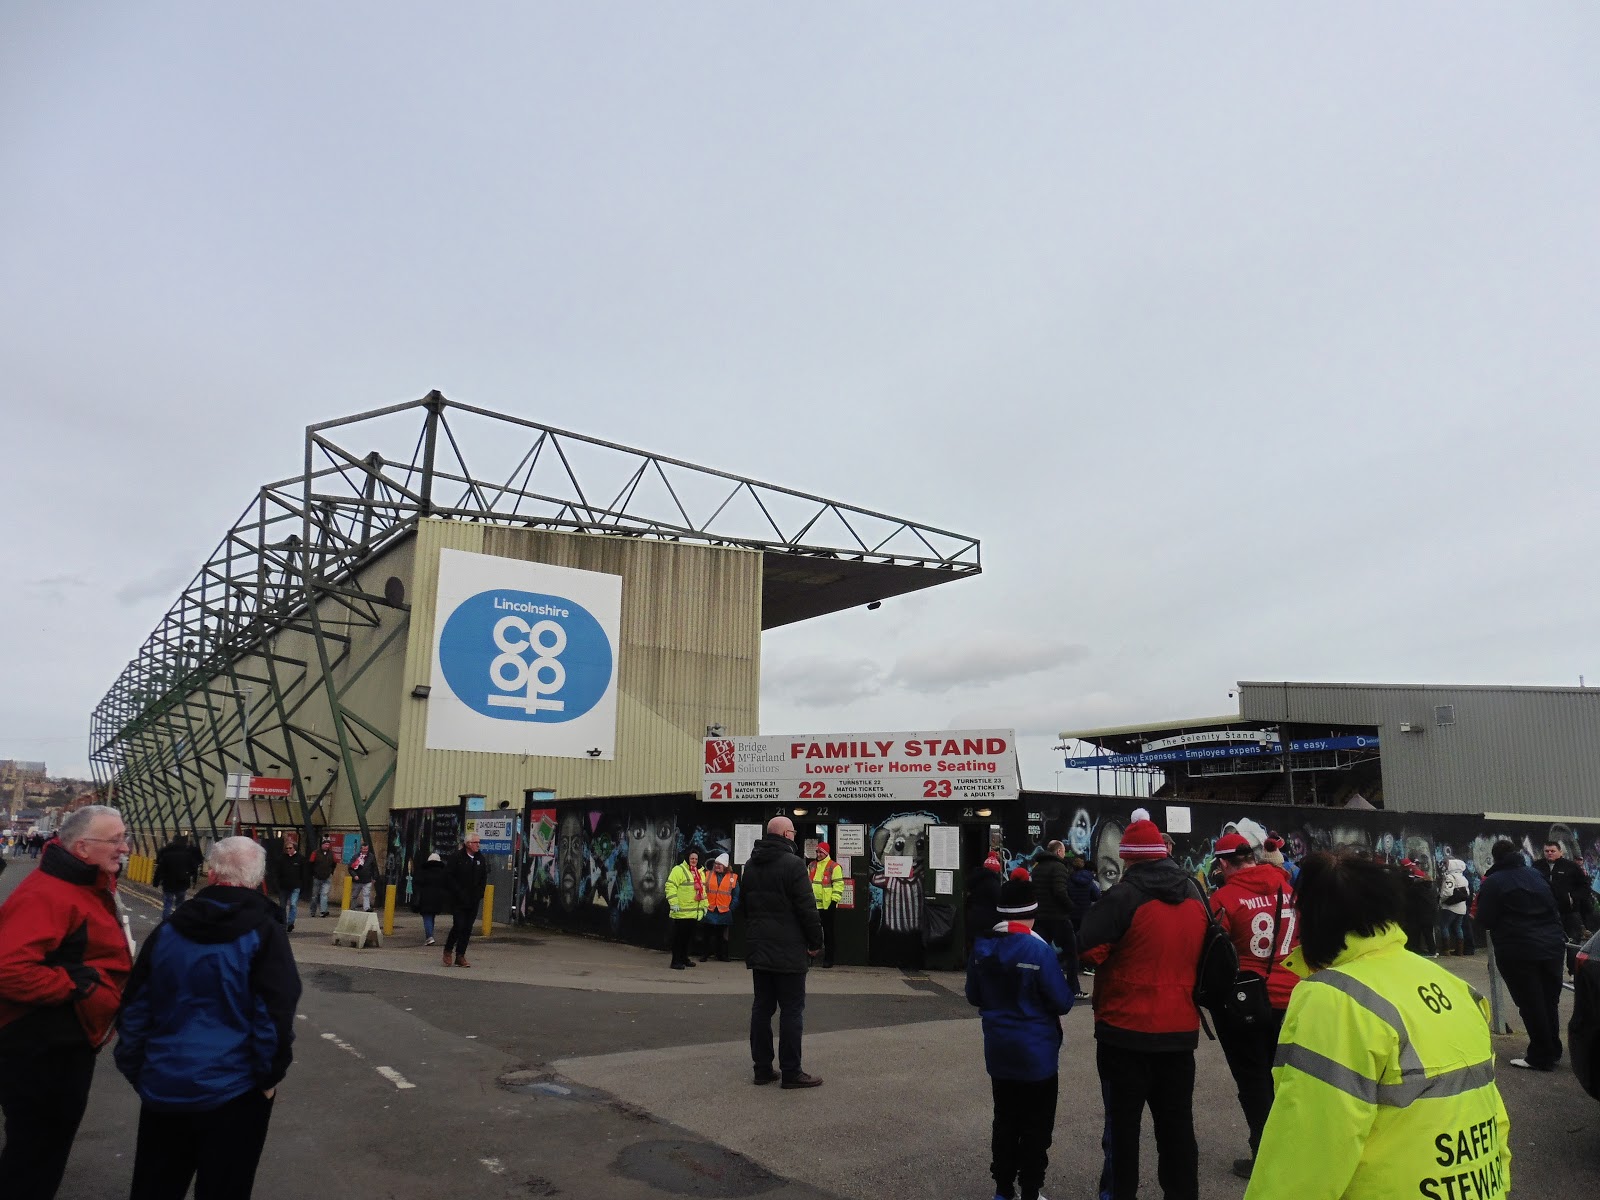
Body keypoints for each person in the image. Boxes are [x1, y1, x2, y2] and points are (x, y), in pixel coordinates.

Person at [1245, 852, 1511, 1199]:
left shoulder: (1335, 998)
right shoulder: (1453, 985)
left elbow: (1309, 1144)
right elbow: (1491, 1111)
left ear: (1310, 918)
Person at [115, 836, 302, 1200]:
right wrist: (268, 1078)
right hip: (236, 1091)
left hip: (165, 1084)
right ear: (257, 878)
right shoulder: (264, 933)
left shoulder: (169, 930)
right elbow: (274, 1016)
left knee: (155, 1187)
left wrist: (137, 1068)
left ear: (211, 873)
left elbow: (135, 1006)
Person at [0, 804, 135, 1200]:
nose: (125, 847)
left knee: (42, 1147)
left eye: (124, 838)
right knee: (36, 1151)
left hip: (61, 1040)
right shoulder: (51, 893)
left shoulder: (83, 885)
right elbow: (8, 968)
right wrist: (80, 988)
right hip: (39, 1045)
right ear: (81, 848)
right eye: (115, 840)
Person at [1077, 816, 1208, 1200]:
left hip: (1125, 1033)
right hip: (1180, 1033)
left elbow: (1088, 949)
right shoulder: (1195, 894)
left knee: (1122, 1133)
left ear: (1130, 859)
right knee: (1177, 1130)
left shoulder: (1122, 897)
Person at [966, 872, 1075, 1200]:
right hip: (1037, 1054)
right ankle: (1030, 1190)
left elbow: (973, 995)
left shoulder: (981, 947)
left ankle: (1002, 1189)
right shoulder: (1038, 950)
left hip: (998, 1051)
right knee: (1036, 1126)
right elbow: (1062, 1001)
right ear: (1032, 912)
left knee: (1005, 1120)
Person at [1207, 831, 1301, 1179]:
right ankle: (1295, 1148)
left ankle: (1264, 1154)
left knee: (1253, 1080)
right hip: (1293, 997)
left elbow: (1212, 952)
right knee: (1288, 1079)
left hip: (1246, 1001)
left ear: (1223, 863)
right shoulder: (1290, 890)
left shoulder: (1224, 898)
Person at [740, 815, 824, 1088]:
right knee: (791, 1010)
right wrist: (815, 943)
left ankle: (762, 1069)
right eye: (794, 832)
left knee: (762, 1008)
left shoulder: (750, 866)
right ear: (786, 835)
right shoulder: (794, 865)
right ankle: (791, 1072)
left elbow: (744, 908)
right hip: (789, 951)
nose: (796, 836)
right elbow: (807, 909)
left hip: (760, 949)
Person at [1476, 838, 1566, 1070]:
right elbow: (1554, 905)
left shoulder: (1493, 882)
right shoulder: (1536, 875)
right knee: (1549, 1000)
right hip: (1552, 945)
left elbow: (1485, 918)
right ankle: (1552, 1049)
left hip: (1518, 948)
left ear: (1495, 857)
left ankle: (1540, 1055)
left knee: (1530, 1002)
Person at [1031, 840, 1081, 998]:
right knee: (1072, 952)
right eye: (1064, 851)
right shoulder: (1059, 867)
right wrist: (1070, 906)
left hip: (1040, 916)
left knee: (1041, 953)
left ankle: (1039, 986)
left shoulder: (1037, 868)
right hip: (1058, 916)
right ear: (1059, 851)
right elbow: (1060, 891)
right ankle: (1073, 988)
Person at [1533, 840, 1594, 941]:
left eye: (1552, 851)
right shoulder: (1537, 866)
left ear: (1560, 852)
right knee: (1546, 941)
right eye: (1547, 851)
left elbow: (1585, 887)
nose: (1549, 853)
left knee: (1572, 942)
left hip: (1569, 913)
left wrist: (1572, 897)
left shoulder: (1571, 867)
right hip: (1544, 912)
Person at [443, 833, 488, 967]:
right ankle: (448, 949)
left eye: (479, 842)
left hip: (473, 900)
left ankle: (460, 955)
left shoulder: (480, 859)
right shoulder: (457, 857)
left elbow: (483, 878)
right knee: (459, 925)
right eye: (475, 842)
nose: (478, 845)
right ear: (468, 844)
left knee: (468, 928)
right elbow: (449, 877)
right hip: (459, 899)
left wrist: (480, 893)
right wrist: (458, 892)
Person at [666, 849, 708, 969]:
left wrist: (704, 906)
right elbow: (670, 886)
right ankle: (675, 961)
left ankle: (684, 958)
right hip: (681, 912)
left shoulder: (700, 872)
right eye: (692, 859)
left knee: (687, 939)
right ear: (687, 859)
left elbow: (702, 891)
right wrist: (673, 903)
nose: (694, 861)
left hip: (693, 913)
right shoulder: (678, 870)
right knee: (678, 939)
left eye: (696, 859)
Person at [808, 841, 846, 967]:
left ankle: (829, 959)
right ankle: (810, 957)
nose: (818, 854)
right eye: (817, 852)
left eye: (821, 852)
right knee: (812, 931)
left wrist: (833, 902)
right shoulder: (811, 865)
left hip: (827, 906)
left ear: (826, 853)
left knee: (828, 933)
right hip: (813, 905)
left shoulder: (834, 867)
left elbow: (839, 885)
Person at [152, 834, 204, 920]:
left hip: (168, 882)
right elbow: (194, 868)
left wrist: (156, 882)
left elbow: (160, 869)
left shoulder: (167, 854)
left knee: (167, 904)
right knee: (180, 903)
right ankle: (177, 921)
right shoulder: (188, 855)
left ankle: (166, 922)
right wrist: (193, 879)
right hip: (182, 882)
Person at [965, 852, 1005, 959]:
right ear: (996, 870)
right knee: (986, 947)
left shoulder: (975, 880)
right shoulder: (993, 883)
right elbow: (999, 900)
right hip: (988, 920)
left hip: (974, 916)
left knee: (975, 945)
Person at [702, 853, 739, 962]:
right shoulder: (707, 874)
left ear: (726, 866)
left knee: (722, 936)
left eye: (720, 864)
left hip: (724, 911)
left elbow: (736, 895)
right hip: (710, 910)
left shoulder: (733, 878)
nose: (717, 866)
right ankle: (705, 954)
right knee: (707, 935)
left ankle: (721, 955)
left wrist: (731, 908)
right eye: (716, 864)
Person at [1398, 858, 1438, 956]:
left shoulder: (1417, 889)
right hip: (1430, 914)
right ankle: (1432, 951)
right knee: (1427, 933)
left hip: (1420, 914)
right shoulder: (1431, 888)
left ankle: (1422, 950)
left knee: (1417, 933)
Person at [412, 851, 450, 946]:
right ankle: (430, 934)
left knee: (427, 916)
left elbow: (417, 883)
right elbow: (447, 884)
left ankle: (429, 936)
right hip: (438, 898)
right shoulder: (443, 872)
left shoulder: (423, 871)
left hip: (425, 897)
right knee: (431, 916)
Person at [1438, 857, 1471, 955]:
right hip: (1461, 907)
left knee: (1444, 926)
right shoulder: (1463, 878)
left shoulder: (1450, 877)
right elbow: (1467, 893)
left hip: (1450, 907)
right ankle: (1460, 951)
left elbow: (1447, 892)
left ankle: (1446, 950)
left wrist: (1441, 900)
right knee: (1458, 927)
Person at [274, 839, 306, 933]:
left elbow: (304, 874)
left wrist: (303, 886)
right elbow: (276, 872)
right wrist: (276, 885)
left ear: (294, 848)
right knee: (282, 906)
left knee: (293, 904)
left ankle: (290, 923)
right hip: (283, 886)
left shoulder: (300, 858)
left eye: (290, 848)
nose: (288, 850)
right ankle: (283, 924)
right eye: (287, 848)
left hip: (296, 886)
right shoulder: (281, 858)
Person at [307, 838, 338, 918]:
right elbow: (310, 863)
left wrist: (331, 872)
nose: (327, 846)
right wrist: (313, 873)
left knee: (324, 894)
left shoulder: (332, 854)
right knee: (314, 896)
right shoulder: (315, 853)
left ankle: (323, 911)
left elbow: (334, 863)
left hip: (327, 877)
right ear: (322, 845)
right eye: (325, 844)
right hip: (317, 877)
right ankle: (312, 911)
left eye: (328, 844)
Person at [348, 840, 379, 912]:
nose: (365, 850)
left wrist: (374, 877)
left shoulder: (371, 857)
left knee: (366, 894)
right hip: (357, 880)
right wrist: (354, 875)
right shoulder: (356, 857)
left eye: (366, 849)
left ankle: (366, 908)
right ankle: (353, 908)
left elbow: (374, 868)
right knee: (354, 895)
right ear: (361, 849)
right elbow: (350, 868)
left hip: (367, 880)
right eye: (364, 849)